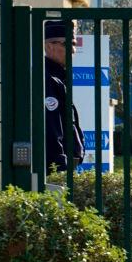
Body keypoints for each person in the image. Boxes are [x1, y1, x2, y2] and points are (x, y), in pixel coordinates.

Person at [44, 20, 84, 174]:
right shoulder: (48, 79)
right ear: (49, 46)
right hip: (56, 169)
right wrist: (59, 167)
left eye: (74, 45)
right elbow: (52, 128)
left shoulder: (59, 78)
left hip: (65, 164)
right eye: (67, 44)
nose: (73, 50)